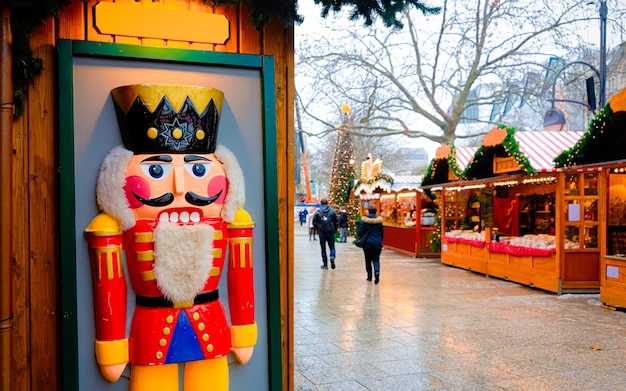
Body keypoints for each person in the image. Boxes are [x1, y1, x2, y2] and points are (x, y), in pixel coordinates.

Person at [84, 84, 256, 390]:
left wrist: (244, 329)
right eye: (156, 171)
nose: (179, 186)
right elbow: (109, 284)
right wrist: (112, 344)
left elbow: (242, 276)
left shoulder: (233, 221)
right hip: (152, 327)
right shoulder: (112, 226)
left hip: (210, 323)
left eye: (199, 171)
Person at [357, 206, 384, 284]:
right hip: (377, 243)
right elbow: (382, 233)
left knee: (368, 259)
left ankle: (369, 276)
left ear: (368, 211)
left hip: (367, 243)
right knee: (376, 259)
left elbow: (359, 232)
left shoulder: (364, 221)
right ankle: (377, 272)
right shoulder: (379, 221)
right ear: (376, 211)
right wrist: (380, 241)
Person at [313, 198, 339, 269]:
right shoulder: (332, 211)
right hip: (330, 232)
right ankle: (332, 256)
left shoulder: (318, 212)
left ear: (321, 203)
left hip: (322, 232)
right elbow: (336, 221)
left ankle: (325, 264)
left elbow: (314, 222)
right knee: (332, 247)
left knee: (323, 248)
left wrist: (317, 230)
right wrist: (335, 229)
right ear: (327, 203)